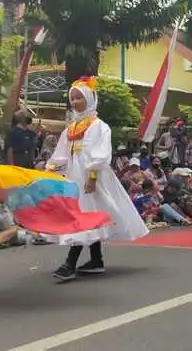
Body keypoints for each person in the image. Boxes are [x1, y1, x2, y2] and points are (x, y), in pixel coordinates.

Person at [44, 77, 148, 282]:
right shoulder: (71, 128)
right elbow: (62, 154)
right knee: (89, 214)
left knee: (84, 215)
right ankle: (96, 259)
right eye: (72, 98)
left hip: (93, 177)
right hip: (74, 176)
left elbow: (100, 153)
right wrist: (50, 169)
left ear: (90, 99)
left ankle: (70, 263)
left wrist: (92, 176)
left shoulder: (100, 126)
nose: (75, 102)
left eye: (79, 98)